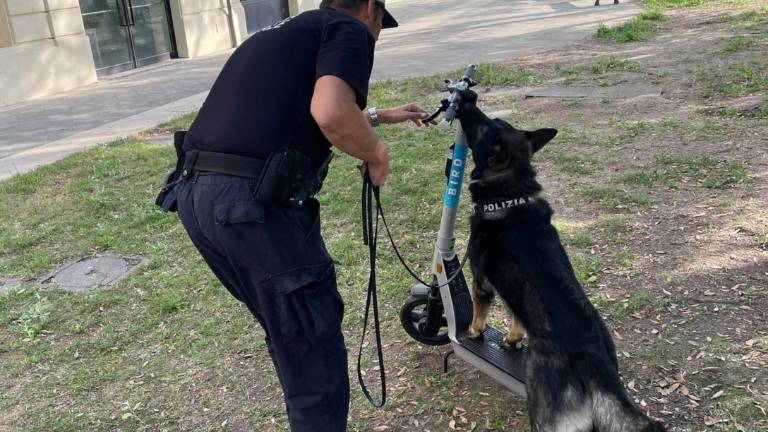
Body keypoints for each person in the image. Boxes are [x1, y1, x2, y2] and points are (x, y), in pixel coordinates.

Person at [165, 1, 428, 430]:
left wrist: (379, 117)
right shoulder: (348, 29)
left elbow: (296, 107)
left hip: (197, 197)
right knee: (311, 342)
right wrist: (376, 153)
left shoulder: (282, 31)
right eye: (380, 23)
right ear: (367, 9)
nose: (377, 34)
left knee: (292, 335)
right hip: (248, 206)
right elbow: (330, 113)